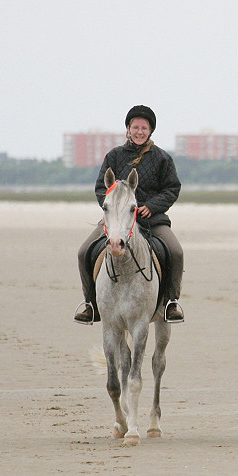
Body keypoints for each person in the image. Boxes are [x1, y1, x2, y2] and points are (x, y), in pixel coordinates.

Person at [74, 105, 185, 324]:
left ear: (150, 130)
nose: (140, 131)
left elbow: (172, 188)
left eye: (144, 127)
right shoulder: (114, 156)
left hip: (151, 219)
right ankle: (90, 304)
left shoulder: (162, 158)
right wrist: (113, 210)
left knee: (176, 252)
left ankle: (170, 302)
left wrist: (152, 206)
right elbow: (100, 187)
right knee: (83, 252)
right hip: (118, 220)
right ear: (128, 128)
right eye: (136, 127)